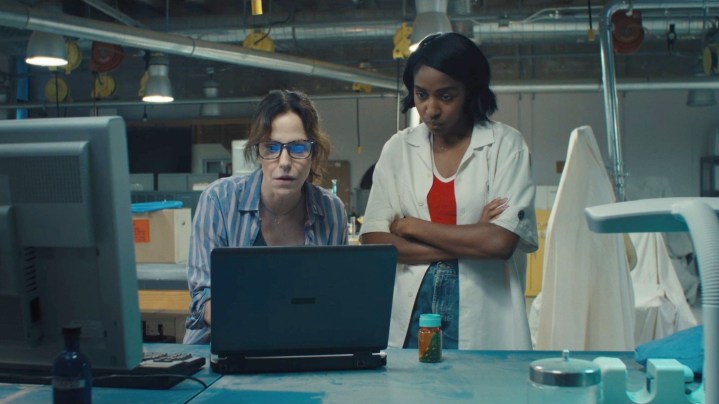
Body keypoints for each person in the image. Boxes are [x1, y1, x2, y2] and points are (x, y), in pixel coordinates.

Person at [359, 32, 538, 350]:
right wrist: (472, 238)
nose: (430, 109)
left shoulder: (505, 146)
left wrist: (412, 227)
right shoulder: (398, 149)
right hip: (414, 310)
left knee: (479, 383)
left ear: (471, 92)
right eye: (421, 94)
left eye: (446, 96)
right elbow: (375, 242)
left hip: (482, 313)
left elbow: (500, 243)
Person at [183, 89, 348, 344]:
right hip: (222, 346)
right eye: (271, 147)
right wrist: (265, 330)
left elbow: (334, 298)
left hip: (301, 346)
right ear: (257, 151)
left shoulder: (331, 211)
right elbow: (203, 295)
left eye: (298, 148)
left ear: (314, 152)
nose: (284, 162)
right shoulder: (219, 200)